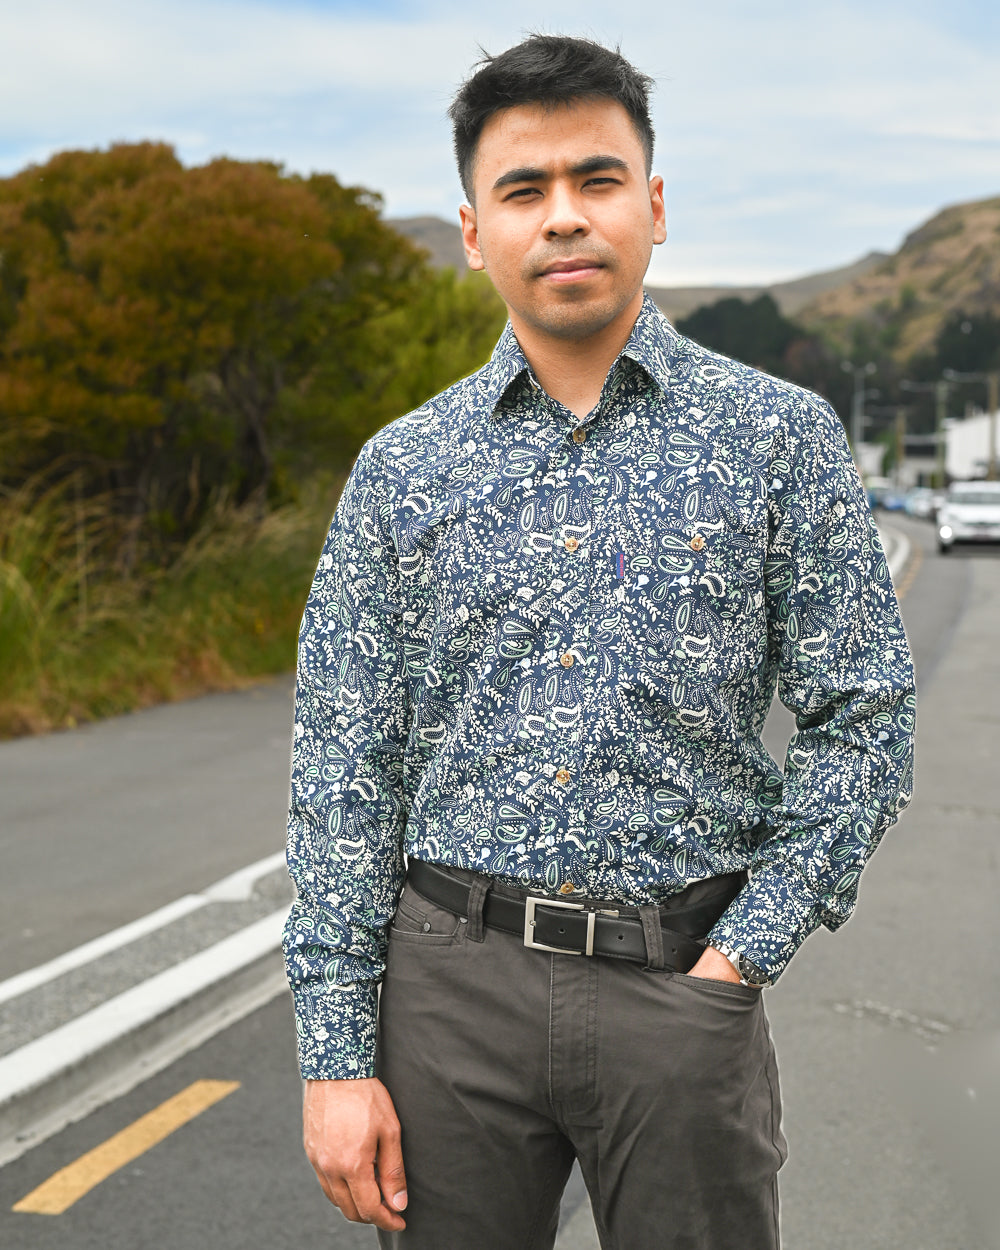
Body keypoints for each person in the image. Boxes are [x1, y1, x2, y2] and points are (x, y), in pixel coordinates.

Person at [282, 33, 916, 1250]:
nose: (563, 218)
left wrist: (746, 951)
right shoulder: (403, 471)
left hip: (682, 987)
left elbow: (865, 717)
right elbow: (342, 771)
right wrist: (333, 1058)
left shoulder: (777, 438)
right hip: (447, 994)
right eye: (524, 190)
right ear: (475, 231)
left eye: (597, 179)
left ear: (654, 206)